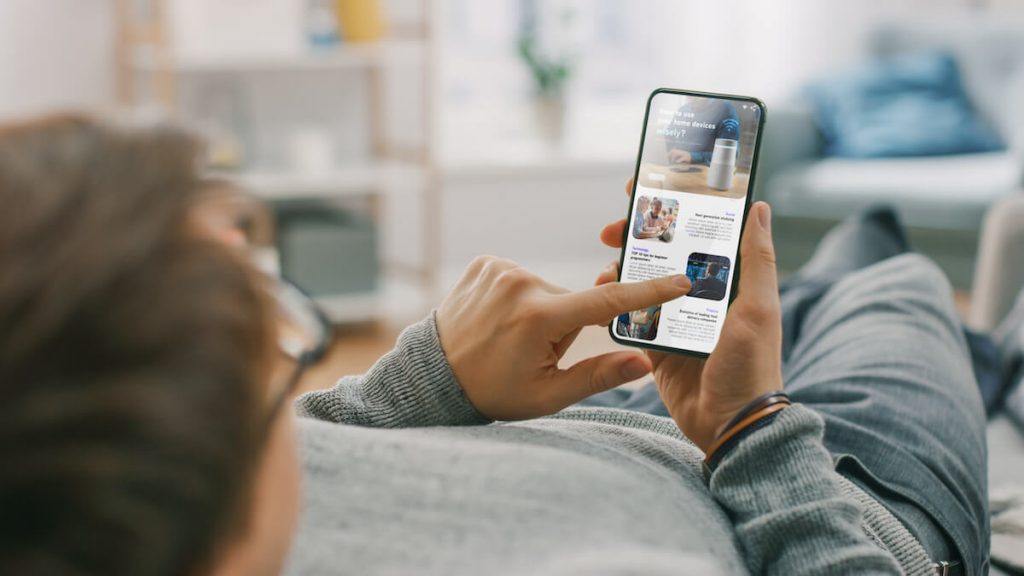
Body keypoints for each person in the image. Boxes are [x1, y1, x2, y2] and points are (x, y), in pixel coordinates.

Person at [0, 117, 985, 576]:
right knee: (885, 275)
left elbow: (319, 444)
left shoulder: (108, 485)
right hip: (814, 485)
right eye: (269, 357)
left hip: (606, 420)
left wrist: (432, 373)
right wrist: (749, 422)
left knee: (798, 292)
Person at [665, 97, 740, 166]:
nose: (690, 98)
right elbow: (669, 136)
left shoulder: (725, 109)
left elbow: (730, 154)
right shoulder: (683, 109)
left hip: (705, 171)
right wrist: (671, 149)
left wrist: (692, 157)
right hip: (676, 166)